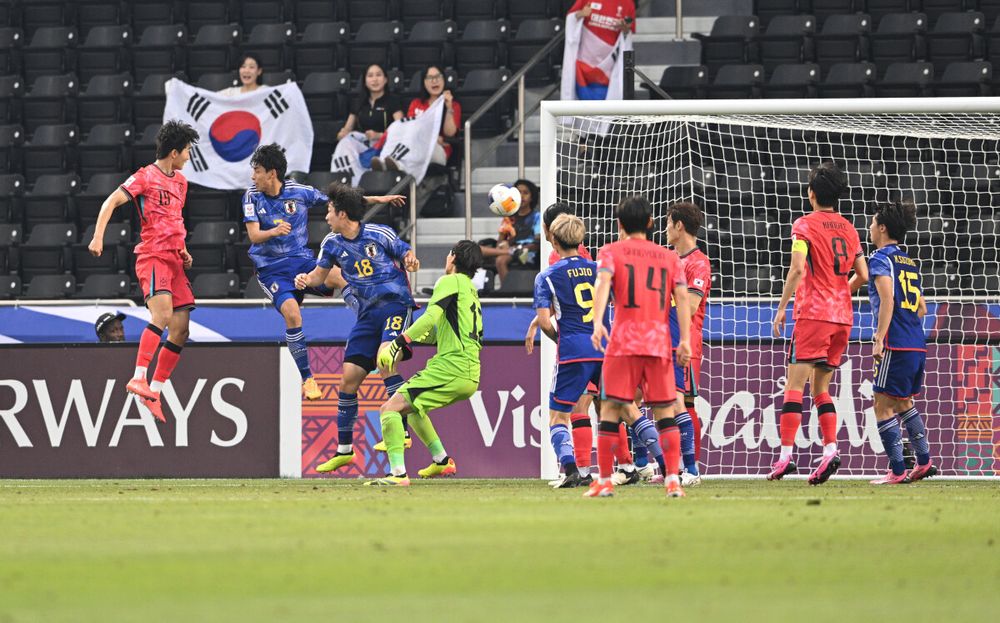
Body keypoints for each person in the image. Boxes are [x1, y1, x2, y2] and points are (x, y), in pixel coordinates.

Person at [242, 144, 405, 399]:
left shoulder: (299, 192)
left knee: (340, 276)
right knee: (293, 314)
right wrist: (274, 231)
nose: (253, 177)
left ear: (272, 173)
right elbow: (253, 235)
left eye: (258, 171)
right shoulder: (251, 197)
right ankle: (308, 379)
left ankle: (368, 320)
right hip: (271, 270)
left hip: (301, 261)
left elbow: (339, 203)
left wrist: (377, 199)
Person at [294, 184, 420, 473]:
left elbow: (405, 253)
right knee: (348, 380)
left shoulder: (380, 234)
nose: (326, 216)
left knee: (385, 360)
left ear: (342, 213)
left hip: (395, 306)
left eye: (329, 211)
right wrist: (305, 279)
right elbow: (319, 276)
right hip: (367, 315)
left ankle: (401, 431)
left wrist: (410, 260)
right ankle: (344, 450)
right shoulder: (332, 243)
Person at [87, 120, 200, 423]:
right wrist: (98, 236)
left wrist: (183, 247)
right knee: (161, 316)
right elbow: (111, 201)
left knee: (181, 329)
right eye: (187, 151)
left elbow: (173, 219)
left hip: (175, 260)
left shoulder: (181, 182)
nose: (189, 157)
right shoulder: (145, 177)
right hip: (152, 257)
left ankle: (155, 391)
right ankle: (138, 377)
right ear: (174, 152)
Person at [769, 161, 868, 485]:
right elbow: (863, 276)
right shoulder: (850, 229)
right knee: (822, 389)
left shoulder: (804, 226)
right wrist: (841, 291)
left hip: (813, 314)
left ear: (811, 194)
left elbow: (797, 269)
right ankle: (829, 450)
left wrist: (782, 307)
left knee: (795, 387)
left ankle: (785, 458)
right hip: (842, 318)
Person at [589, 195, 692, 498]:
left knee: (609, 409)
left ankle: (605, 481)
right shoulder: (670, 257)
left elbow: (603, 285)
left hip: (622, 343)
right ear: (650, 223)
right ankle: (673, 479)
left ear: (620, 224)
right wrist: (684, 339)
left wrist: (597, 322)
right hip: (659, 343)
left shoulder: (611, 252)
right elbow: (683, 298)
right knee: (665, 411)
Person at [370, 240, 485, 486]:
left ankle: (398, 474)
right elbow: (437, 332)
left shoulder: (449, 282)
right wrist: (412, 337)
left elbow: (430, 317)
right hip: (469, 371)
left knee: (389, 409)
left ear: (452, 258)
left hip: (452, 367)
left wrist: (398, 342)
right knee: (413, 409)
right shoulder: (469, 289)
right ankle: (441, 460)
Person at [532, 214, 608, 488]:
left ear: (552, 239)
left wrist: (560, 338)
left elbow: (544, 321)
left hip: (573, 350)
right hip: (605, 347)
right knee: (625, 410)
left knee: (558, 416)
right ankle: (665, 466)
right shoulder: (600, 268)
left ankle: (572, 469)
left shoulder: (548, 275)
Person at [865, 200, 936, 484]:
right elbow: (922, 308)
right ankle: (925, 461)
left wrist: (880, 337)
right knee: (904, 403)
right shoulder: (909, 262)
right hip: (916, 341)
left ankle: (896, 470)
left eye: (872, 223)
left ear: (882, 228)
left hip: (895, 342)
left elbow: (887, 299)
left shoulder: (880, 259)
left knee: (882, 406)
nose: (870, 228)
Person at [665, 201, 712, 486]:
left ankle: (691, 468)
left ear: (679, 226)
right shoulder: (669, 259)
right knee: (664, 404)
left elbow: (691, 306)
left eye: (669, 223)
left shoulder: (698, 262)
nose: (666, 228)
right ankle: (668, 466)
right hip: (662, 340)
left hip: (686, 342)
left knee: (685, 403)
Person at [372, 65, 460, 170]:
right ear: (424, 82)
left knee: (417, 148)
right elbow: (410, 128)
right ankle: (385, 162)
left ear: (444, 80)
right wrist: (432, 137)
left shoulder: (453, 105)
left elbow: (449, 133)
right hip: (415, 146)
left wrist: (449, 107)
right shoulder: (416, 104)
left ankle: (397, 166)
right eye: (430, 78)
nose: (434, 81)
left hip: (438, 151)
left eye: (438, 77)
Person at [332, 64, 404, 173]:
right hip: (365, 145)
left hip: (386, 145)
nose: (374, 79)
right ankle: (348, 181)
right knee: (345, 143)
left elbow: (401, 130)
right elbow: (347, 129)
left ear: (385, 80)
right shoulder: (358, 102)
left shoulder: (393, 101)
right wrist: (342, 134)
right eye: (370, 76)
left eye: (378, 75)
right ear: (365, 81)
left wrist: (379, 135)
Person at [480, 179, 542, 284]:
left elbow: (537, 243)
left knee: (500, 260)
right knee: (478, 250)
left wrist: (520, 248)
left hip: (527, 252)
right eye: (519, 193)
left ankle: (506, 290)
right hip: (510, 250)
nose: (522, 196)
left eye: (525, 193)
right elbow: (499, 244)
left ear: (532, 197)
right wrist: (503, 237)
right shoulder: (508, 218)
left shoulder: (537, 217)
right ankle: (511, 251)